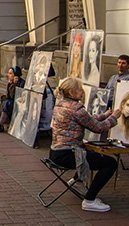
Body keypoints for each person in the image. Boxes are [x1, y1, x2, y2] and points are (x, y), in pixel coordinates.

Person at [49, 77, 121, 212]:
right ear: (71, 93)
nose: (82, 91)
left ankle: (75, 182)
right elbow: (98, 128)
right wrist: (113, 118)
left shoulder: (60, 104)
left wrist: (104, 115)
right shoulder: (76, 108)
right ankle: (89, 200)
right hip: (68, 154)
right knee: (110, 163)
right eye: (79, 89)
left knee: (92, 154)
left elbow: (86, 119)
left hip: (56, 153)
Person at [0, 66, 25, 133]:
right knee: (4, 101)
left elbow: (14, 96)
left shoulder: (21, 83)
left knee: (6, 102)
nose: (8, 75)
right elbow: (8, 95)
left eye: (10, 73)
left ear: (15, 75)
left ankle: (0, 125)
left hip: (18, 103)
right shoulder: (11, 82)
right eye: (9, 73)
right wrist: (9, 84)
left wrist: (15, 84)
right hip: (12, 102)